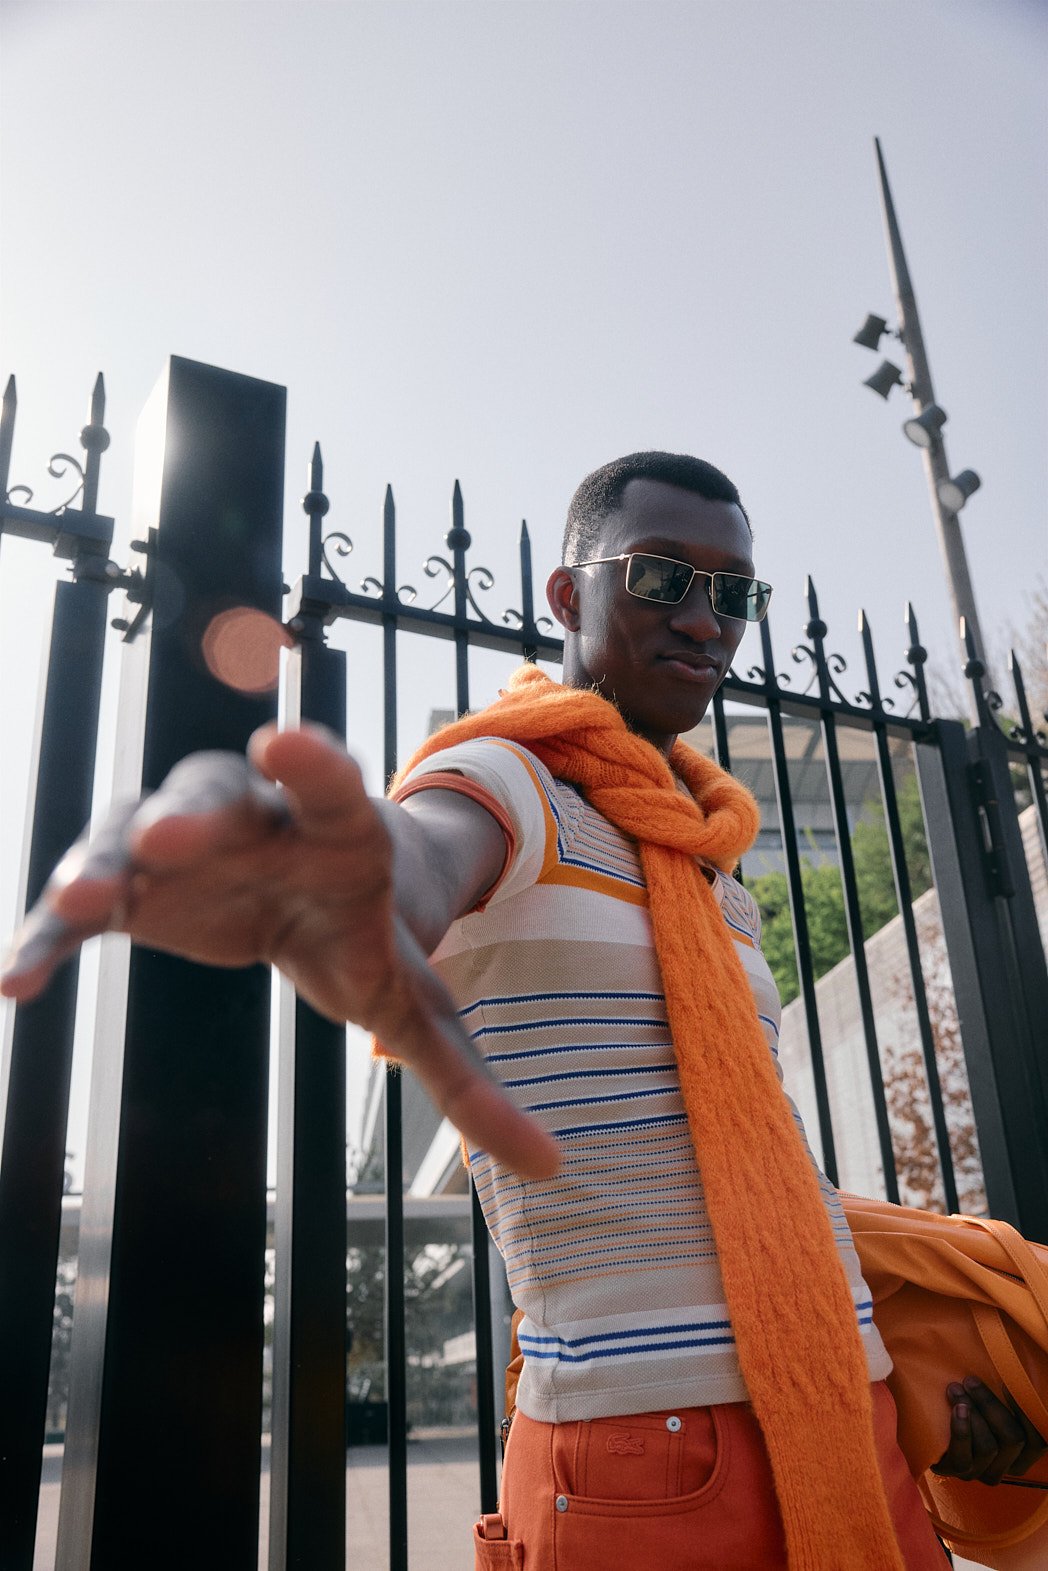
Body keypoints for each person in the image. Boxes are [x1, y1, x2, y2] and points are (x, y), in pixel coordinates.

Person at [3, 452, 1042, 1569]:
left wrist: (917, 1364)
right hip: (648, 1447)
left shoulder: (713, 868)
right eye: (660, 578)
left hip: (849, 1405)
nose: (703, 619)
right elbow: (413, 855)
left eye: (734, 593)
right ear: (567, 594)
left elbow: (749, 1161)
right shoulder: (507, 780)